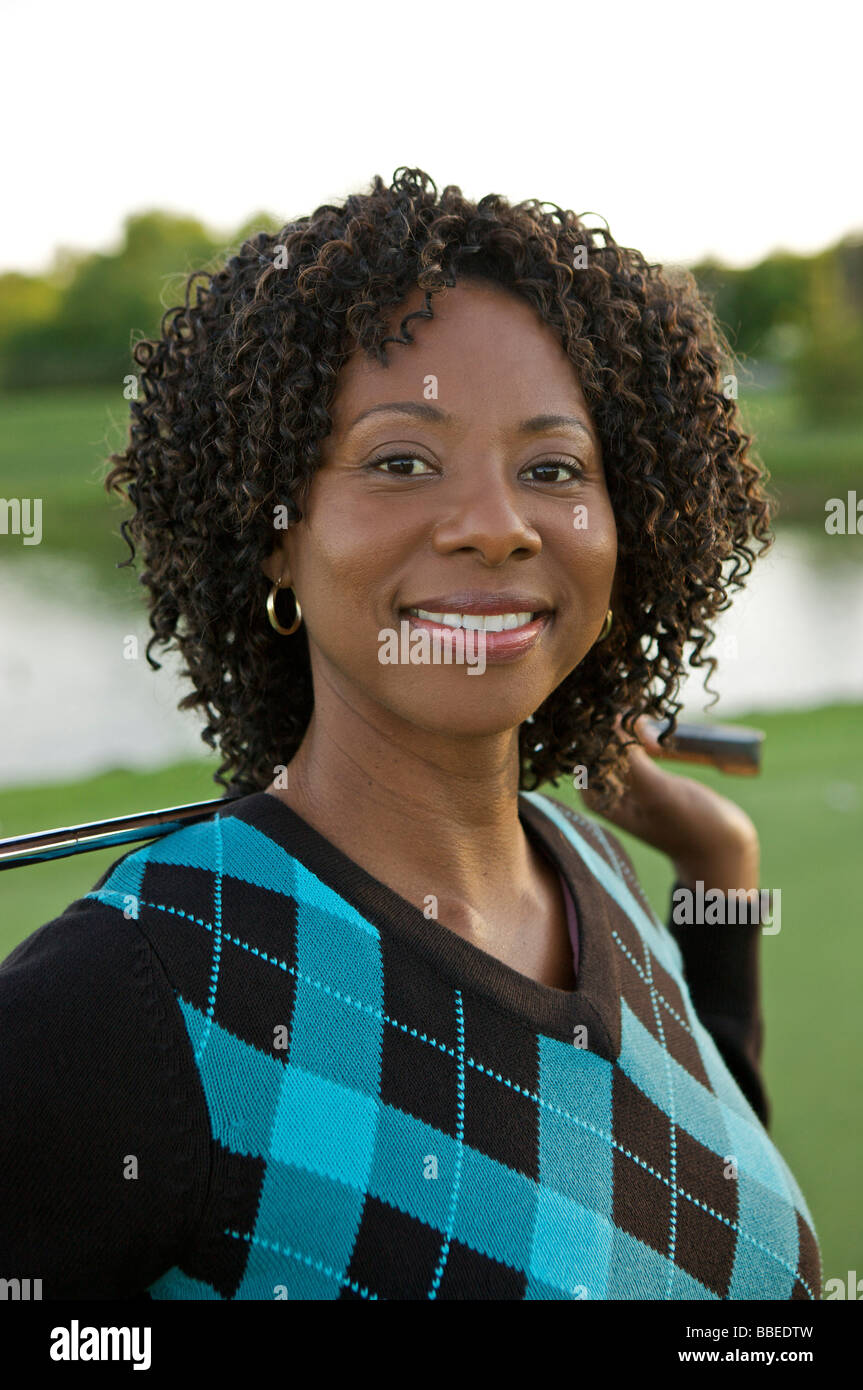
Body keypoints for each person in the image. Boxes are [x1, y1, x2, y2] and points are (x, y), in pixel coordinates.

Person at [0, 168, 820, 1300]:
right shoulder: (125, 999)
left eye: (550, 469)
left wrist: (718, 872)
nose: (494, 526)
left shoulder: (600, 873)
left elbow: (700, 1236)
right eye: (399, 462)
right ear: (275, 534)